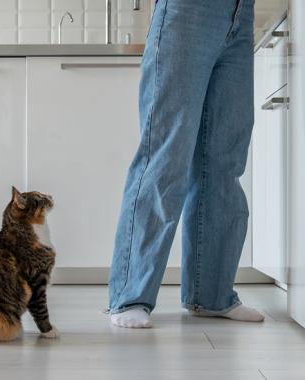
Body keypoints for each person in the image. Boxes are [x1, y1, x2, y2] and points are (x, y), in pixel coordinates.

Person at [108, 0, 265, 328]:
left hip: (241, 13)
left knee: (224, 162)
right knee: (165, 157)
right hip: (189, 11)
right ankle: (130, 297)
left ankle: (211, 296)